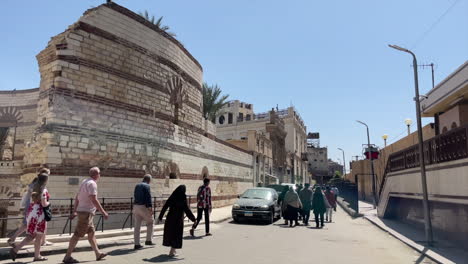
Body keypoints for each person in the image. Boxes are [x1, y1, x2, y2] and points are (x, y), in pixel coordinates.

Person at [63, 167, 109, 264]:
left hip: (85, 213)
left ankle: (98, 253)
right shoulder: (92, 184)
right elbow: (94, 199)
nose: (100, 175)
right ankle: (67, 257)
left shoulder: (85, 182)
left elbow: (77, 197)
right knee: (77, 235)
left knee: (91, 234)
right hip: (86, 214)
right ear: (96, 174)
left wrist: (75, 211)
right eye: (99, 173)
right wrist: (103, 212)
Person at [9, 173, 50, 262]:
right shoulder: (43, 189)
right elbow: (43, 203)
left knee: (31, 235)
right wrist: (49, 204)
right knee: (39, 236)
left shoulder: (34, 187)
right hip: (39, 215)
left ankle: (15, 250)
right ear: (46, 180)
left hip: (31, 213)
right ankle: (37, 256)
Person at [157, 185, 196, 257]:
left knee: (171, 233)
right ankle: (172, 252)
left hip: (170, 217)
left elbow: (165, 206)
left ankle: (173, 250)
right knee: (176, 234)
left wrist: (160, 217)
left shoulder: (173, 195)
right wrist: (193, 219)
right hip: (178, 219)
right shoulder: (183, 197)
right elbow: (186, 209)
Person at [133, 174, 154, 250]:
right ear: (149, 180)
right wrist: (150, 209)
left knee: (137, 226)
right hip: (143, 206)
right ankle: (148, 240)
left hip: (136, 206)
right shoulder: (147, 186)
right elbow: (148, 198)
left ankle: (137, 244)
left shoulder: (137, 185)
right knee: (150, 222)